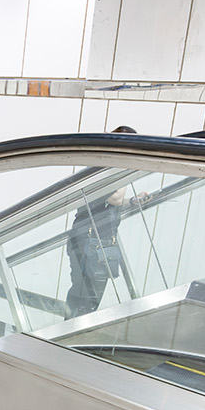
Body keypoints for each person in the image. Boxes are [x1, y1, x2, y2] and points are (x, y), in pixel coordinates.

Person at [64, 126, 150, 317]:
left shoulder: (112, 170)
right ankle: (67, 332)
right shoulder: (101, 168)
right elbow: (115, 198)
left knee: (91, 300)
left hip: (101, 245)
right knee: (82, 298)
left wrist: (134, 202)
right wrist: (126, 168)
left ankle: (75, 330)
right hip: (86, 242)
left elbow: (115, 203)